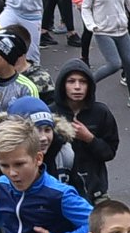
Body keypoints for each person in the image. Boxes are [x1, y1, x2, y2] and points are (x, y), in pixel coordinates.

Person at [51, 58, 119, 199]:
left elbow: (109, 152)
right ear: (62, 85)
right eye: (71, 81)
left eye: (83, 82)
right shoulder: (51, 113)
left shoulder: (101, 112)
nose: (77, 87)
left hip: (94, 190)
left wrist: (89, 138)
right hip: (58, 188)